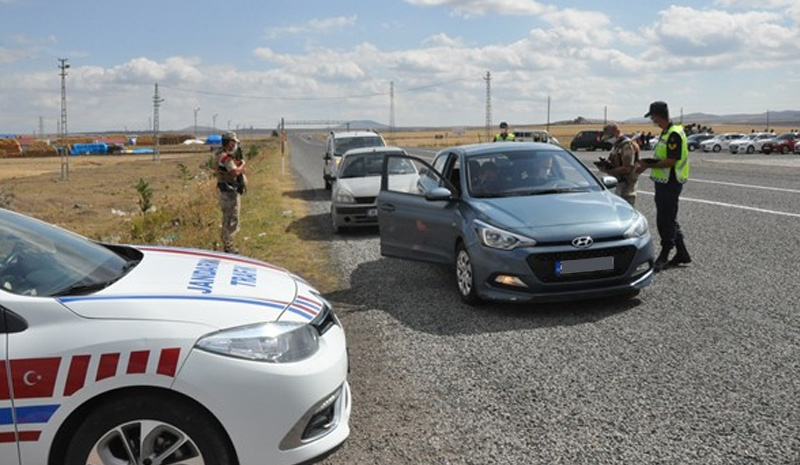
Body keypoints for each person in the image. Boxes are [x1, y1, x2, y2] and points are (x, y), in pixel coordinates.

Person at [635, 101, 691, 272]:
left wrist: (648, 164)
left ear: (657, 116)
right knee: (670, 218)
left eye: (652, 117)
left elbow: (670, 161)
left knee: (665, 220)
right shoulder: (667, 132)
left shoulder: (673, 134)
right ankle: (682, 253)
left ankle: (664, 254)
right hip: (664, 182)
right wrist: (647, 162)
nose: (652, 120)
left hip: (670, 182)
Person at [215, 131, 246, 254]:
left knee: (227, 219)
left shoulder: (219, 154)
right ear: (229, 143)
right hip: (229, 193)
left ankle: (227, 244)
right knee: (231, 220)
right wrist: (242, 165)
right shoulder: (225, 157)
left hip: (225, 191)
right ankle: (228, 247)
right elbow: (234, 172)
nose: (234, 145)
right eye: (233, 142)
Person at [598, 122, 639, 206]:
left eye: (611, 136)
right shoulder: (617, 145)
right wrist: (606, 164)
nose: (609, 139)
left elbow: (627, 168)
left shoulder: (626, 145)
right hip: (620, 185)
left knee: (626, 210)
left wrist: (609, 171)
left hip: (627, 187)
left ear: (617, 132)